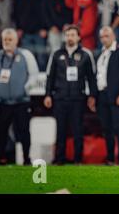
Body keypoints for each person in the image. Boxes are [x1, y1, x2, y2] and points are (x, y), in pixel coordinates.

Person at [44, 25, 97, 165]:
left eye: (73, 35)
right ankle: (59, 159)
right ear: (64, 37)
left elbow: (91, 77)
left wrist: (92, 96)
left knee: (78, 130)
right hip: (60, 97)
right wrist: (48, 95)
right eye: (68, 35)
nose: (70, 37)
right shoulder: (56, 54)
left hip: (78, 98)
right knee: (60, 129)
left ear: (79, 37)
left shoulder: (86, 54)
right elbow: (50, 76)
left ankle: (78, 159)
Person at [0, 28, 39, 165]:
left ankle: (27, 158)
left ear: (16, 40)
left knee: (23, 132)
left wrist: (25, 88)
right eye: (5, 39)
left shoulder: (26, 55)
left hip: (21, 101)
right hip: (2, 102)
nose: (7, 42)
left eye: (10, 39)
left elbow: (34, 74)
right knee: (0, 132)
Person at [96, 26, 119, 165]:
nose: (104, 39)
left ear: (113, 36)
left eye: (107, 36)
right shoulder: (100, 54)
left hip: (117, 95)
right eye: (102, 37)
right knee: (107, 129)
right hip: (103, 95)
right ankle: (111, 158)